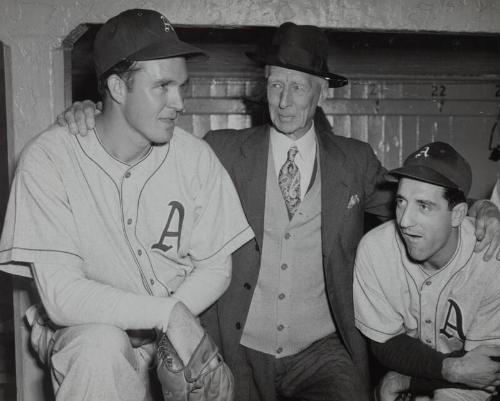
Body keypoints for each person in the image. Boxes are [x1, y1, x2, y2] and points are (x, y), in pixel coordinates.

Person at [58, 22, 500, 401]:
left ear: (320, 91)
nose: (284, 100)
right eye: (274, 85)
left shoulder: (355, 160)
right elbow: (139, 140)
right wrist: (97, 112)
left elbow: (418, 204)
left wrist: (478, 206)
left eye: (297, 87)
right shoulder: (221, 150)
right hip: (238, 344)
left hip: (322, 349)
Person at [0, 9, 254, 401]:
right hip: (85, 339)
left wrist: (175, 323)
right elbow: (62, 296)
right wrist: (167, 315)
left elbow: (217, 265)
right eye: (163, 86)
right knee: (98, 346)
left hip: (171, 341)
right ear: (117, 88)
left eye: (182, 86)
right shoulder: (49, 159)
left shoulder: (195, 157)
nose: (180, 103)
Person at [354, 142, 500, 401]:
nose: (404, 220)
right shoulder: (376, 249)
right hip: (421, 369)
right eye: (401, 201)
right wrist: (445, 371)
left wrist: (406, 381)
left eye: (424, 206)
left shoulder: (490, 258)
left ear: (457, 215)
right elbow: (385, 343)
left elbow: (484, 369)